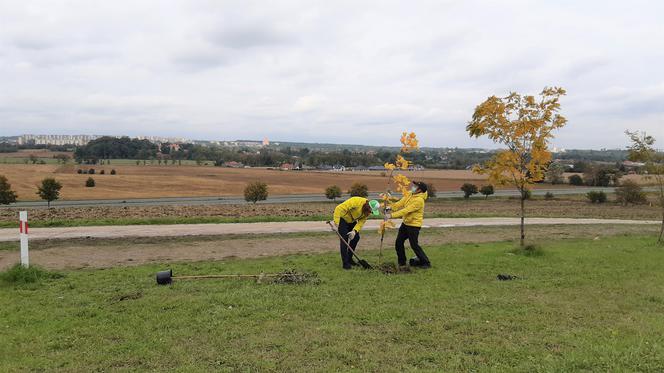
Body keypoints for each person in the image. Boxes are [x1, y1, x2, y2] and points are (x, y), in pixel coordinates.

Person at [385, 181, 431, 269]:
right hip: (405, 223)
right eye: (414, 185)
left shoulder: (419, 201)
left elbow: (406, 210)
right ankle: (402, 263)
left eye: (415, 186)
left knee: (414, 245)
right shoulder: (410, 194)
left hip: (414, 225)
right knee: (398, 242)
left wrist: (391, 215)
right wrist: (391, 207)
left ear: (419, 190)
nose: (413, 186)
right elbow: (400, 203)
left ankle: (426, 262)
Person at [333, 197, 380, 269]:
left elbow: (361, 222)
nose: (370, 213)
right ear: (368, 207)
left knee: (356, 238)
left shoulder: (366, 213)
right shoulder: (356, 202)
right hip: (343, 219)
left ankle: (349, 259)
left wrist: (354, 231)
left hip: (352, 221)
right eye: (371, 211)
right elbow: (338, 208)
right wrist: (336, 223)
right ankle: (345, 264)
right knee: (344, 240)